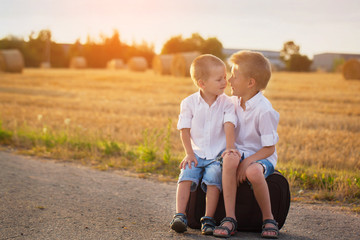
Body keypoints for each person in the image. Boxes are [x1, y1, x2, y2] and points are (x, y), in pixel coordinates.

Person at [213, 50, 280, 239]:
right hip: (239, 153)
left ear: (251, 83)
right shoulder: (233, 102)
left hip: (261, 156)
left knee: (252, 172)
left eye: (234, 76)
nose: (229, 81)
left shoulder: (264, 110)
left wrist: (248, 161)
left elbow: (270, 148)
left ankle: (269, 219)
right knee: (228, 160)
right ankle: (230, 218)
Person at [170, 54, 237, 235]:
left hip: (216, 155)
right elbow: (184, 130)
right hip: (196, 153)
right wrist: (189, 153)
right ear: (202, 83)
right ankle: (180, 215)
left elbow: (229, 124)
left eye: (225, 77)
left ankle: (208, 219)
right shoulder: (189, 103)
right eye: (219, 79)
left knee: (214, 177)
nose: (225, 82)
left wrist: (230, 147)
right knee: (186, 173)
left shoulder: (227, 103)